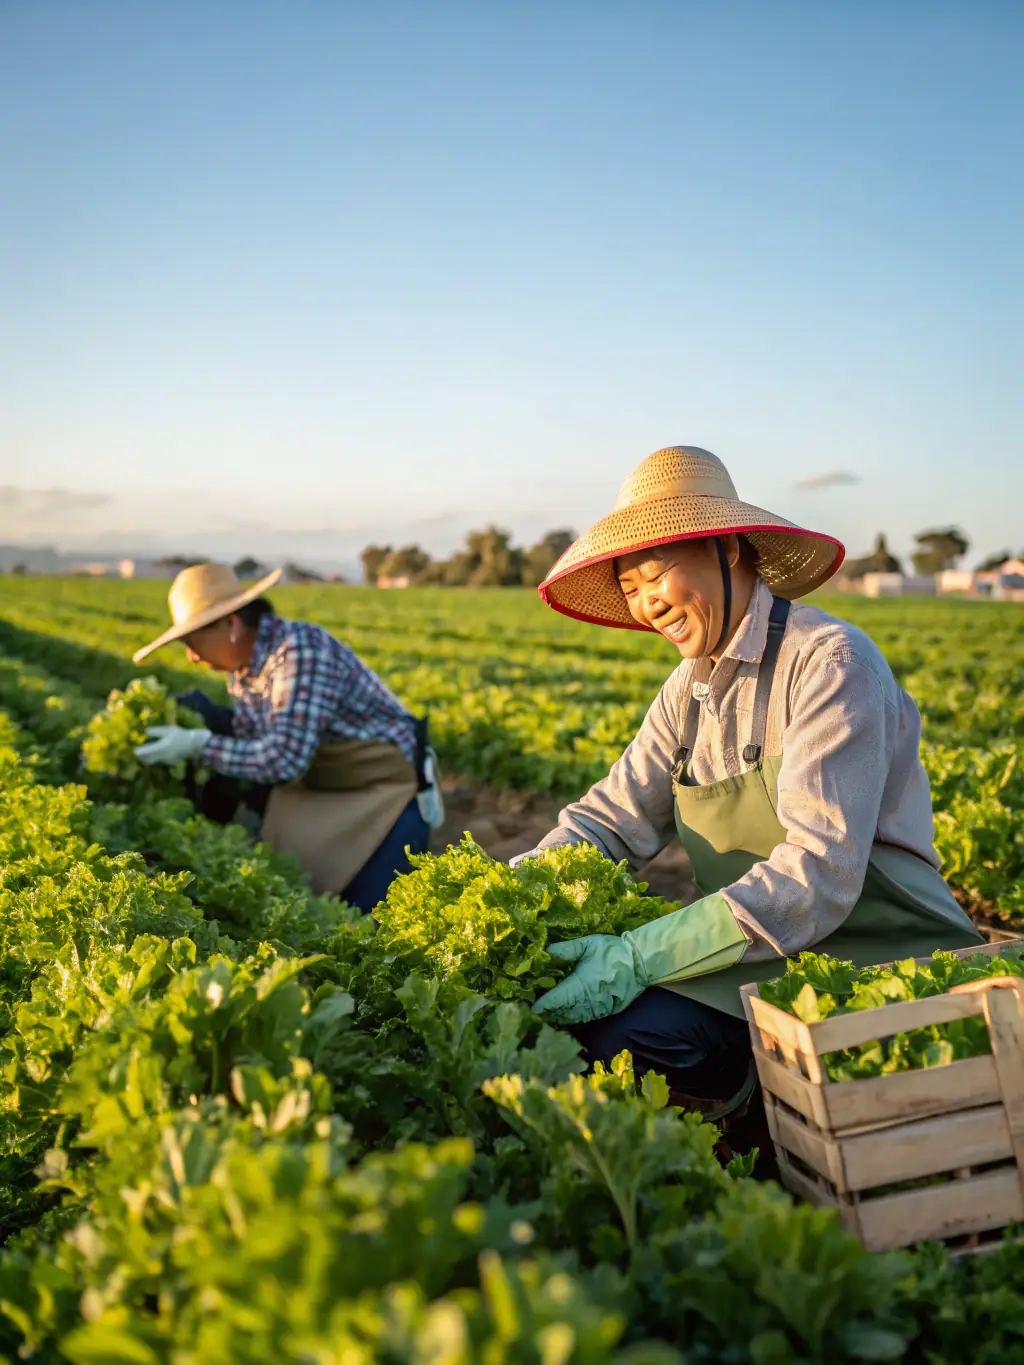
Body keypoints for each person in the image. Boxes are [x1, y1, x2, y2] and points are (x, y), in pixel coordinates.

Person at [515, 445, 983, 1114]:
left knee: (624, 1037)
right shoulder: (686, 690)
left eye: (656, 574)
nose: (648, 604)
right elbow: (609, 820)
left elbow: (817, 874)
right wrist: (513, 889)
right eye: (631, 586)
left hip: (882, 960)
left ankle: (755, 1134)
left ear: (728, 546)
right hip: (767, 960)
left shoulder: (828, 663)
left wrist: (638, 955)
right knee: (580, 1026)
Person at [131, 562, 443, 912]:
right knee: (316, 901)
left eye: (192, 641)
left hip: (386, 792)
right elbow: (258, 739)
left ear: (230, 624)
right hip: (333, 785)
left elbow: (285, 760)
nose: (191, 656)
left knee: (370, 916)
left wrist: (199, 745)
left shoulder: (299, 652)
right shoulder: (244, 671)